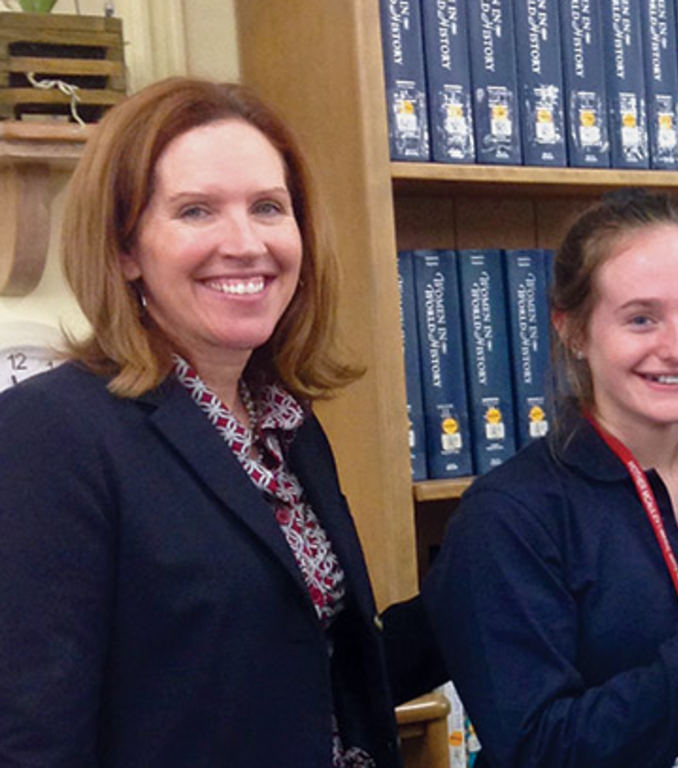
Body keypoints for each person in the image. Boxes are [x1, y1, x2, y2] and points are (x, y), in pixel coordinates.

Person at [0, 78, 400, 766]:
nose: (245, 243)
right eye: (196, 211)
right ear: (126, 250)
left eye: (269, 207)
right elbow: (34, 735)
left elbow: (307, 664)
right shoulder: (50, 434)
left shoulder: (286, 426)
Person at [422, 189, 678, 768]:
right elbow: (539, 749)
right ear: (573, 330)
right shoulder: (507, 519)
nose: (677, 348)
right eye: (641, 319)